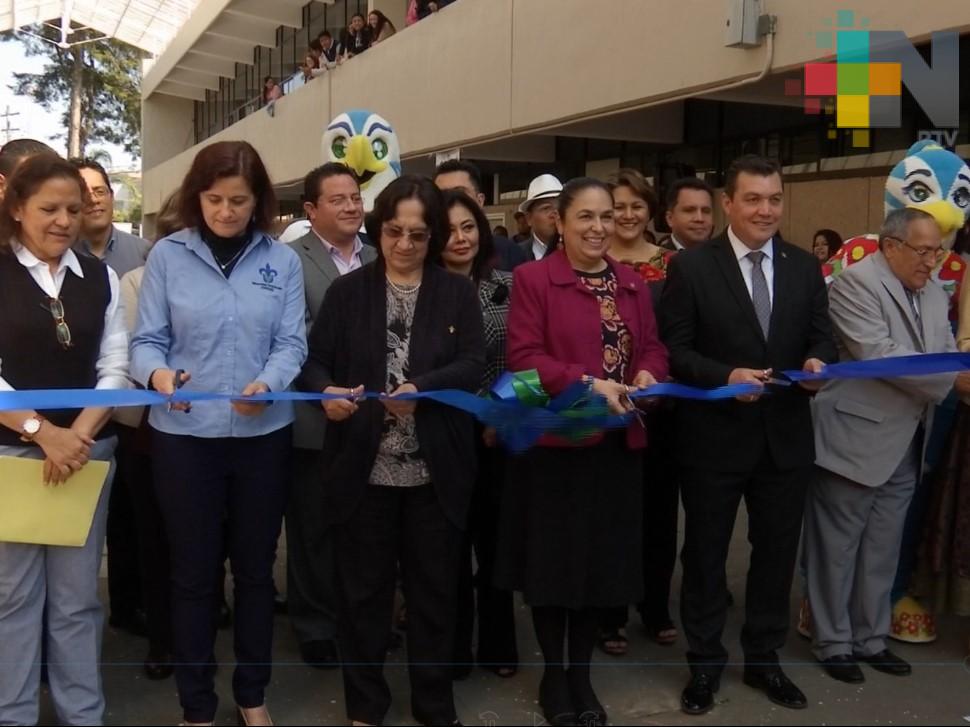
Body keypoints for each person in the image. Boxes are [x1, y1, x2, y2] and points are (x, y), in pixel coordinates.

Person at [130, 140, 307, 727]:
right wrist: (157, 374)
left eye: (238, 200)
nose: (226, 211)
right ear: (195, 197)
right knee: (193, 573)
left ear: (258, 202)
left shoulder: (279, 261)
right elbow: (145, 341)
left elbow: (291, 343)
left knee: (256, 572)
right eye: (214, 199)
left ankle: (252, 696)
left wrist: (269, 383)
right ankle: (196, 705)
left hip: (263, 438)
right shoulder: (167, 256)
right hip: (185, 439)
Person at [299, 175, 485, 727]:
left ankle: (434, 705)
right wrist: (325, 393)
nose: (404, 245)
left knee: (434, 597)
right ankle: (366, 707)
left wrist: (424, 389)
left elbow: (474, 363)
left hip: (435, 473)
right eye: (395, 232)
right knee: (362, 599)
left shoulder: (455, 292)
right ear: (379, 229)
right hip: (363, 471)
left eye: (418, 235)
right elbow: (315, 363)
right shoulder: (348, 292)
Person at [659, 154, 836, 716]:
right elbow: (676, 351)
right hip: (713, 439)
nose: (766, 210)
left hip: (785, 439)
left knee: (775, 557)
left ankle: (764, 660)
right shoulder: (691, 268)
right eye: (754, 199)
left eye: (775, 199)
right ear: (728, 203)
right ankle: (704, 665)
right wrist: (724, 377)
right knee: (707, 557)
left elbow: (823, 338)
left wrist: (815, 364)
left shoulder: (805, 267)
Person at [496, 177, 669, 727]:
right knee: (554, 568)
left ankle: (582, 676)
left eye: (607, 216)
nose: (598, 227)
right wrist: (588, 382)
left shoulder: (633, 284)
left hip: (617, 448)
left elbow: (655, 347)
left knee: (600, 568)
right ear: (560, 224)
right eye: (585, 218)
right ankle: (556, 676)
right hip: (558, 444)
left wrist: (648, 372)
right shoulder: (533, 279)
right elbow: (523, 357)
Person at [0, 154, 128, 725]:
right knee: (13, 601)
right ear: (17, 209)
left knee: (78, 602)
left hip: (85, 458)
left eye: (74, 209)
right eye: (49, 208)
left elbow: (115, 362)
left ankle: (83, 715)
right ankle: (14, 714)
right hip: (12, 459)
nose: (64, 220)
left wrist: (77, 436)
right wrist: (41, 432)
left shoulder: (99, 276)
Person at [806, 208, 957, 684]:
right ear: (891, 245)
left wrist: (944, 368)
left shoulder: (933, 292)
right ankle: (832, 642)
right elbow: (879, 356)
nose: (932, 261)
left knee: (882, 549)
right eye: (924, 250)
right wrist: (950, 378)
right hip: (854, 436)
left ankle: (871, 639)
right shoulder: (855, 284)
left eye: (938, 250)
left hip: (908, 440)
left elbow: (945, 348)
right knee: (837, 547)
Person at [286, 163, 377, 670]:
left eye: (355, 197)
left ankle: (359, 621)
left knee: (363, 530)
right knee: (312, 528)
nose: (350, 207)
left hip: (372, 416)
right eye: (337, 199)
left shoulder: (379, 253)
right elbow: (289, 338)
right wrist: (321, 387)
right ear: (311, 210)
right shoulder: (286, 261)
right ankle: (315, 626)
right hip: (314, 416)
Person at [595, 168, 678, 658]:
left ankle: (656, 606)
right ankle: (609, 614)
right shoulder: (591, 263)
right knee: (610, 516)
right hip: (601, 407)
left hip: (657, 406)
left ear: (650, 211)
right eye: (615, 207)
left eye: (634, 206)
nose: (626, 216)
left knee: (658, 514)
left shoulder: (673, 265)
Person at [71, 156, 153, 640]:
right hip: (67, 418)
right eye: (84, 192)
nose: (94, 199)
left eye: (101, 190)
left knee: (129, 516)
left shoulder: (143, 254)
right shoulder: (56, 257)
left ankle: (129, 604)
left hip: (128, 412)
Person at [440, 189, 519, 679]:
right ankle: (452, 649)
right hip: (442, 434)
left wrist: (501, 413)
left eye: (469, 227)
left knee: (495, 546)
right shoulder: (422, 288)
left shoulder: (511, 285)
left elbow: (524, 359)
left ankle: (499, 645)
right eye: (449, 229)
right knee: (447, 547)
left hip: (496, 435)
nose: (461, 237)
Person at [115, 190, 182, 680]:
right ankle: (163, 640)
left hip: (218, 430)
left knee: (205, 541)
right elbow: (139, 352)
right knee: (155, 540)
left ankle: (197, 631)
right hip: (149, 433)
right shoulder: (135, 282)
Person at [433, 159, 526, 271]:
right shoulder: (422, 258)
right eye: (443, 195)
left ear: (480, 200)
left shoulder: (509, 254)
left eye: (460, 193)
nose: (452, 201)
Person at [659, 177, 716, 252]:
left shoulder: (726, 256)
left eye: (706, 211)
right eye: (689, 210)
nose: (699, 218)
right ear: (670, 218)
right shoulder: (655, 261)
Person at [517, 173, 562, 262]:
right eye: (546, 208)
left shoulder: (580, 252)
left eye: (561, 207)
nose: (555, 214)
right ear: (529, 218)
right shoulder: (516, 255)